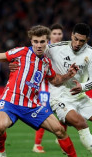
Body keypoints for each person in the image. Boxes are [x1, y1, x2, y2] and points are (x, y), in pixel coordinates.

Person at [0, 25, 79, 157]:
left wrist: (68, 75)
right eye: (36, 41)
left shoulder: (46, 62)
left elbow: (54, 80)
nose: (39, 45)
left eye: (42, 41)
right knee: (0, 127)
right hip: (10, 101)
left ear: (47, 42)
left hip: (32, 105)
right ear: (31, 41)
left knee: (59, 130)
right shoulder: (21, 52)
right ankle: (2, 153)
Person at [45, 23, 92, 157]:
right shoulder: (55, 48)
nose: (77, 43)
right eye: (75, 39)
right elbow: (32, 53)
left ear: (87, 40)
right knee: (81, 123)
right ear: (71, 35)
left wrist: (82, 87)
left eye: (82, 41)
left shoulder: (91, 53)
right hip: (59, 98)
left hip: (80, 97)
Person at [32, 23, 64, 153]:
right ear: (49, 35)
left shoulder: (64, 49)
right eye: (54, 33)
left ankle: (60, 138)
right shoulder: (44, 48)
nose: (57, 36)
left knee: (65, 113)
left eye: (59, 34)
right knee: (44, 115)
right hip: (45, 87)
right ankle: (37, 145)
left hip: (59, 87)